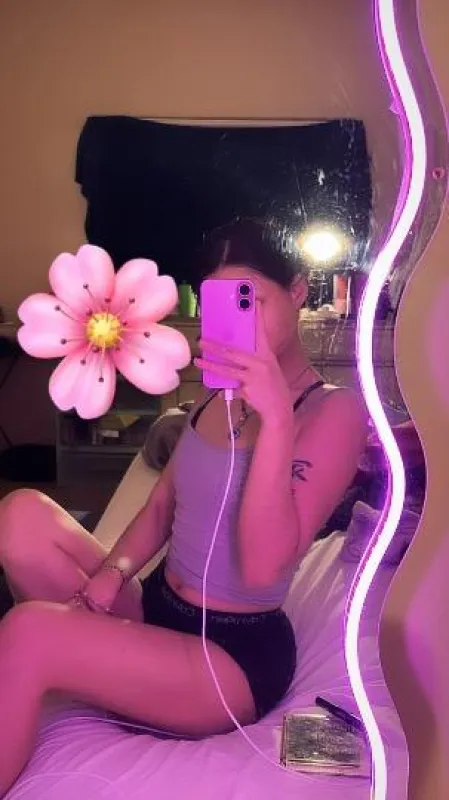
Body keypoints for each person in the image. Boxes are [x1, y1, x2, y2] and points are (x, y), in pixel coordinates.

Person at [0, 220, 368, 796]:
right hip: (157, 608)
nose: (239, 323)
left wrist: (276, 419)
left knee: (29, 632)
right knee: (21, 514)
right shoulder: (213, 394)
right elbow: (160, 506)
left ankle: (63, 663)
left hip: (227, 659)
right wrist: (107, 581)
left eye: (251, 299)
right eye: (224, 304)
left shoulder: (334, 412)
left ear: (297, 290)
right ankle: (94, 668)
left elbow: (262, 568)